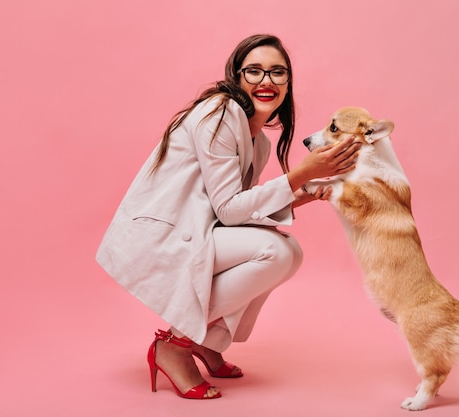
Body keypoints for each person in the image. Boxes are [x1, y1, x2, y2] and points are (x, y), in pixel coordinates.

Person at [95, 34, 361, 400]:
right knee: (276, 251)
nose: (266, 81)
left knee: (290, 252)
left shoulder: (260, 141)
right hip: (163, 236)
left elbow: (236, 210)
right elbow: (229, 212)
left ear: (288, 82)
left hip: (199, 231)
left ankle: (204, 340)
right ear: (236, 77)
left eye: (277, 72)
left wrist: (305, 192)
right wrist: (299, 174)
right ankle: (175, 343)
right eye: (254, 71)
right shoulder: (220, 113)